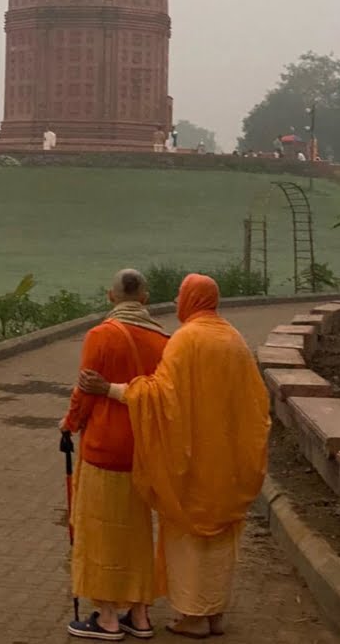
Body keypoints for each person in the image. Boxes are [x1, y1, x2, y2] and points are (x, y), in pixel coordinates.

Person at [79, 274, 270, 639]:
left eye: (182, 294)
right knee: (221, 540)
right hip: (229, 458)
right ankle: (215, 614)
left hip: (194, 458)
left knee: (191, 539)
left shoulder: (188, 339)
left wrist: (110, 389)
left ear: (191, 299)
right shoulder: (233, 338)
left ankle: (193, 617)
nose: (179, 299)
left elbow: (161, 396)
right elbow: (256, 402)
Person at [60, 269, 170, 641]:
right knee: (138, 532)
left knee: (101, 530)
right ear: (144, 298)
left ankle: (107, 616)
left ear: (111, 296)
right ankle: (139, 614)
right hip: (143, 450)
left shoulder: (101, 336)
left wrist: (69, 424)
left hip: (104, 449)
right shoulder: (164, 341)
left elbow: (85, 391)